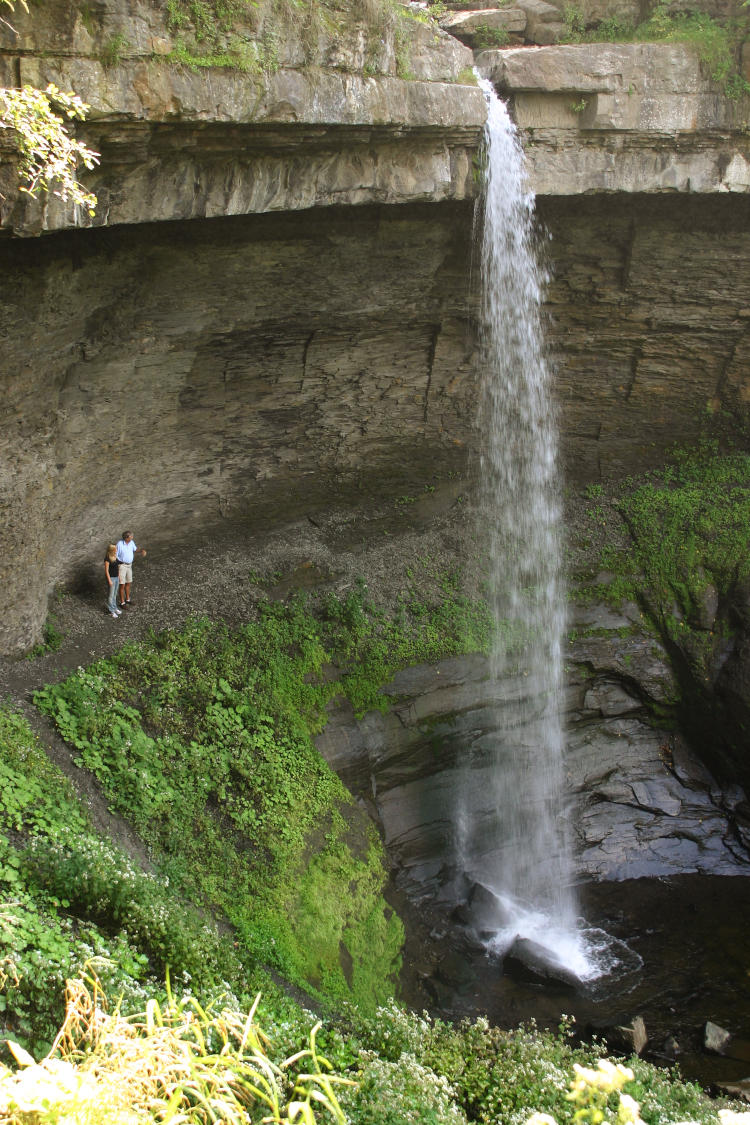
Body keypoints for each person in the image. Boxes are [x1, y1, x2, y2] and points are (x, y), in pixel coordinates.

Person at [116, 530, 146, 607]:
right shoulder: (119, 544)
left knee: (128, 582)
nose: (132, 537)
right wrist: (119, 564)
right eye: (131, 536)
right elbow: (115, 555)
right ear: (126, 538)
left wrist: (141, 550)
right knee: (122, 584)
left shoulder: (131, 542)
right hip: (122, 566)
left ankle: (128, 599)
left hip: (129, 566)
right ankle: (122, 603)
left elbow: (135, 549)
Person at [104, 544, 122, 618]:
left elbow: (117, 567)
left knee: (115, 594)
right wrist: (109, 581)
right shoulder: (107, 559)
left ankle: (114, 608)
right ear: (112, 550)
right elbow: (106, 571)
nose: (117, 550)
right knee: (111, 595)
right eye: (115, 549)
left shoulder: (115, 557)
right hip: (111, 578)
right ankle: (111, 610)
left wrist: (119, 576)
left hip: (116, 578)